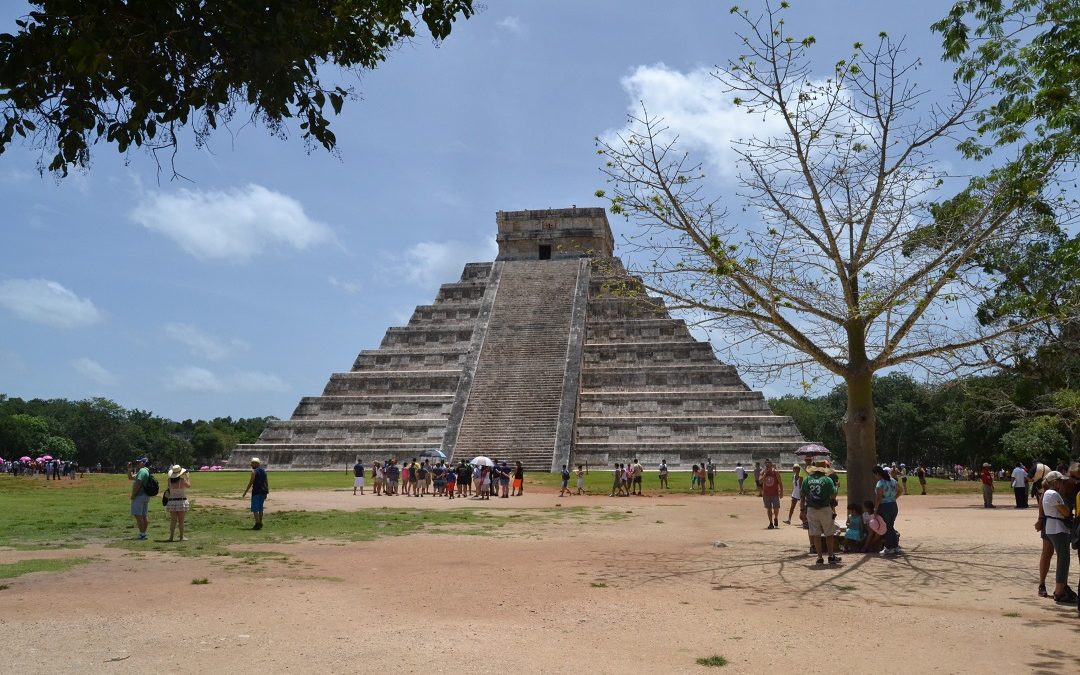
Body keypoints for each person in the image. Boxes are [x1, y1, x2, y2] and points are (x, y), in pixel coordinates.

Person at [1040, 471, 1076, 604]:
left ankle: (1061, 588)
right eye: (1061, 481)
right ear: (1055, 482)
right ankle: (1059, 590)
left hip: (1052, 527)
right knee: (1063, 559)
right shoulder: (1053, 494)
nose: (1063, 483)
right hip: (1058, 528)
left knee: (1062, 558)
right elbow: (1065, 512)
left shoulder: (1047, 493)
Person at [804, 462, 840, 565]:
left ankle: (819, 557)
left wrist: (802, 510)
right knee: (829, 533)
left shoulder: (807, 479)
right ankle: (830, 556)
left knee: (816, 534)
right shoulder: (827, 480)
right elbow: (833, 495)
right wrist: (837, 487)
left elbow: (803, 494)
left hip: (811, 509)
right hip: (824, 508)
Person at [873, 465, 901, 556]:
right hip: (893, 505)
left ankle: (889, 547)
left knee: (887, 527)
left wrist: (875, 509)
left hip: (885, 506)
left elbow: (878, 498)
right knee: (891, 526)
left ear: (877, 474)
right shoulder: (892, 480)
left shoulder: (880, 483)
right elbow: (901, 490)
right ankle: (895, 546)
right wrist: (893, 498)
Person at [127, 456, 151, 540]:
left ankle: (142, 534)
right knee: (144, 515)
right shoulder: (146, 471)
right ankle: (143, 533)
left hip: (139, 496)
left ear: (143, 463)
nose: (137, 463)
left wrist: (133, 495)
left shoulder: (142, 471)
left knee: (138, 515)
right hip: (145, 496)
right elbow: (130, 477)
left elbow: (138, 483)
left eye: (139, 462)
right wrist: (129, 469)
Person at [165, 465, 191, 542]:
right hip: (181, 501)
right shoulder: (182, 481)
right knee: (181, 520)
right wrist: (188, 477)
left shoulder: (169, 481)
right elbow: (189, 486)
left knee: (173, 520)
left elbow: (168, 489)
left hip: (172, 501)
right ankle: (181, 536)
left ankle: (171, 537)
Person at [242, 457, 269, 530]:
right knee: (260, 508)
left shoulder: (254, 471)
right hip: (263, 492)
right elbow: (266, 482)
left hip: (256, 492)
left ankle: (257, 523)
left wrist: (245, 492)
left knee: (254, 509)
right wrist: (267, 492)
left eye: (252, 463)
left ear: (256, 464)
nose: (251, 464)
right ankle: (260, 522)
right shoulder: (264, 471)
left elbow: (251, 483)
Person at [760, 459, 783, 529]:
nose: (768, 467)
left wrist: (781, 492)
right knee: (768, 508)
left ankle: (776, 518)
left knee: (776, 508)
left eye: (769, 465)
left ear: (771, 465)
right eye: (766, 466)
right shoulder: (762, 472)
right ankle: (770, 523)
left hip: (775, 493)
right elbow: (760, 481)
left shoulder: (775, 472)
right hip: (766, 493)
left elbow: (780, 482)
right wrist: (765, 474)